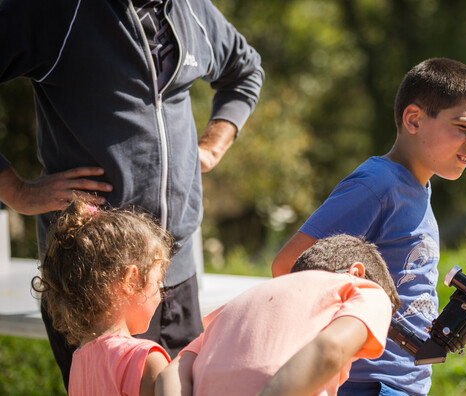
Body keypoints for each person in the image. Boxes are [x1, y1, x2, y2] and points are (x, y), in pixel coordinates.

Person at [0, 0, 264, 387]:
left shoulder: (190, 8)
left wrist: (212, 144)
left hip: (176, 273)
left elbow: (245, 70)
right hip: (94, 290)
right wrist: (15, 191)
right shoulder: (56, 10)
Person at [271, 57, 466, 396]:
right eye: (464, 127)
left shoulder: (416, 188)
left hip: (403, 382)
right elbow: (288, 265)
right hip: (366, 382)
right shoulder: (378, 184)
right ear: (414, 119)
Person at [155, 234, 401, 396]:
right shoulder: (364, 290)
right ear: (357, 272)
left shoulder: (236, 304)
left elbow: (170, 373)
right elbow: (332, 348)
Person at [31, 199, 175, 396]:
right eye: (157, 282)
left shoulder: (79, 361)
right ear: (131, 281)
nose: (161, 295)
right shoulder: (146, 360)